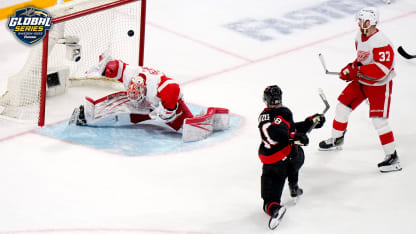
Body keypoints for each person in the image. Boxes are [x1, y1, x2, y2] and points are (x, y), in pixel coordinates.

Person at [318, 7, 402, 173]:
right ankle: (337, 139)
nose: (359, 23)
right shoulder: (359, 36)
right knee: (341, 108)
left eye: (362, 20)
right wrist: (350, 68)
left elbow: (381, 70)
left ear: (371, 22)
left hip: (379, 85)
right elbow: (361, 59)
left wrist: (357, 71)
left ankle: (393, 157)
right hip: (362, 81)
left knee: (379, 121)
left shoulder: (381, 42)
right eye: (359, 20)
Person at [258, 85, 325, 229]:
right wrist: (293, 138)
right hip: (292, 159)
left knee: (269, 203)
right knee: (295, 153)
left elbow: (286, 130)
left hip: (273, 165)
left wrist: (309, 122)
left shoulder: (264, 115)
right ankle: (293, 186)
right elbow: (281, 131)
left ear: (266, 100)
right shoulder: (284, 112)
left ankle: (276, 209)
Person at [70, 55, 194, 132]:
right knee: (120, 101)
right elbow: (116, 67)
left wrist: (168, 110)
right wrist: (103, 69)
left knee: (188, 126)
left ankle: (198, 121)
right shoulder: (131, 75)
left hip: (163, 103)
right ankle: (88, 113)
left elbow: (172, 88)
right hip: (148, 104)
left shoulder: (157, 86)